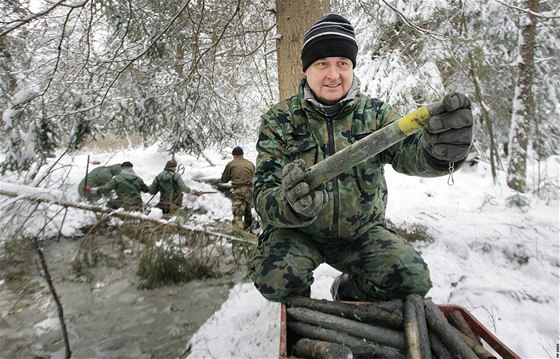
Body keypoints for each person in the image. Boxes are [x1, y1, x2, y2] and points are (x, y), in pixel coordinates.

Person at [250, 13, 473, 303]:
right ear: (306, 70)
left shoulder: (377, 115)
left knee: (411, 278)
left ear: (352, 67)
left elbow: (411, 154)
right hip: (299, 234)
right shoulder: (279, 120)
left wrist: (440, 153)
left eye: (342, 63)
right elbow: (263, 193)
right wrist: (290, 207)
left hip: (361, 234)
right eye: (322, 64)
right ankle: (301, 312)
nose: (333, 74)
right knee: (275, 279)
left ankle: (347, 291)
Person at [84, 161, 150, 211]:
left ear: (122, 168)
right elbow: (147, 190)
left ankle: (111, 221)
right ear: (131, 168)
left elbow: (105, 189)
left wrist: (90, 190)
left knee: (108, 205)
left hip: (124, 204)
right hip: (138, 205)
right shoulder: (138, 179)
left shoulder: (117, 179)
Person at [220, 146, 256, 230]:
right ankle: (249, 230)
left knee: (237, 214)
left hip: (238, 190)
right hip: (250, 190)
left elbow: (224, 180)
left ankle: (240, 232)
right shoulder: (250, 163)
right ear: (242, 154)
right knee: (248, 211)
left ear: (233, 155)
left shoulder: (231, 164)